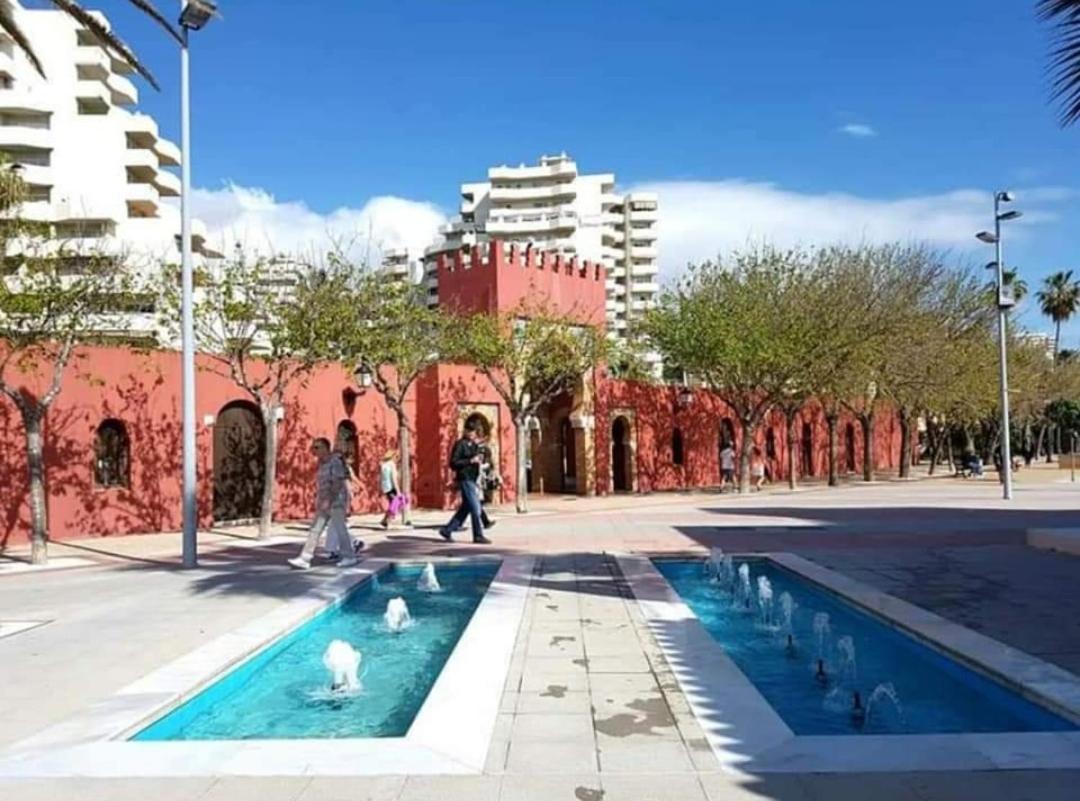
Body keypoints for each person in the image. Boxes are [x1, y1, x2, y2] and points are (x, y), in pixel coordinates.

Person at [289, 437, 359, 570]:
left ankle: (349, 556)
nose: (314, 450)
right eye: (313, 447)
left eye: (317, 447)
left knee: (340, 529)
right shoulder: (322, 463)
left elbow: (338, 483)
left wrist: (329, 500)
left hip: (335, 501)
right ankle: (305, 558)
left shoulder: (335, 462)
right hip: (324, 502)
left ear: (326, 448)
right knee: (315, 529)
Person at [439, 421, 491, 544]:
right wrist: (470, 461)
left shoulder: (473, 445)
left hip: (473, 479)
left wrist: (479, 460)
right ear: (466, 431)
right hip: (465, 478)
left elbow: (477, 458)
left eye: (474, 432)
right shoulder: (460, 445)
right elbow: (453, 463)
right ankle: (478, 535)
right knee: (476, 508)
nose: (473, 434)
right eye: (471, 431)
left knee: (465, 508)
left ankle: (447, 530)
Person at [379, 449, 406, 528]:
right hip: (391, 487)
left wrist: (380, 488)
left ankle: (385, 520)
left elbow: (381, 478)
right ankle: (388, 522)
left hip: (385, 487)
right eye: (396, 457)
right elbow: (394, 479)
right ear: (393, 456)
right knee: (395, 504)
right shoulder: (391, 464)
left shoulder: (383, 465)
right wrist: (398, 491)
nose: (397, 459)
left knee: (392, 504)